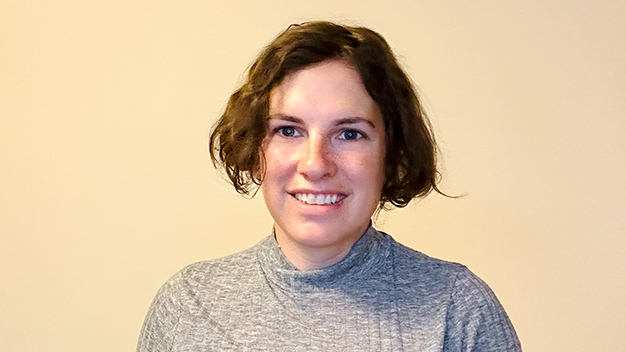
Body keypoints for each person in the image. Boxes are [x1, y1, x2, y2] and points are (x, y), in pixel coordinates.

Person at [137, 21, 521, 351]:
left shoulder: (457, 310)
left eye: (349, 134)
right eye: (288, 130)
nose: (315, 164)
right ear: (256, 153)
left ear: (391, 157)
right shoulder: (189, 305)